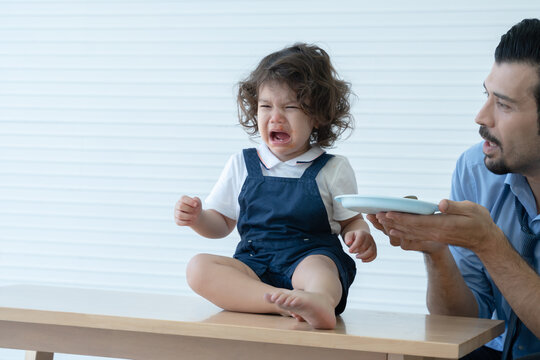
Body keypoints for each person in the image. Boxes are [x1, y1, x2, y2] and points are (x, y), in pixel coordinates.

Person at [368, 19, 540, 359]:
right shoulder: (476, 169)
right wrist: (436, 253)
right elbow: (461, 323)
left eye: (503, 105)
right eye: (486, 95)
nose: (481, 117)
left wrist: (489, 244)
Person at [174, 43, 376, 330]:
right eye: (266, 106)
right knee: (198, 268)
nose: (275, 117)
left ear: (318, 116)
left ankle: (317, 300)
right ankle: (282, 303)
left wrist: (360, 235)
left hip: (307, 257)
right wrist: (197, 219)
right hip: (254, 265)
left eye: (290, 107)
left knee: (321, 269)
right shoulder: (242, 163)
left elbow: (352, 220)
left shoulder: (332, 168)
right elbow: (220, 224)